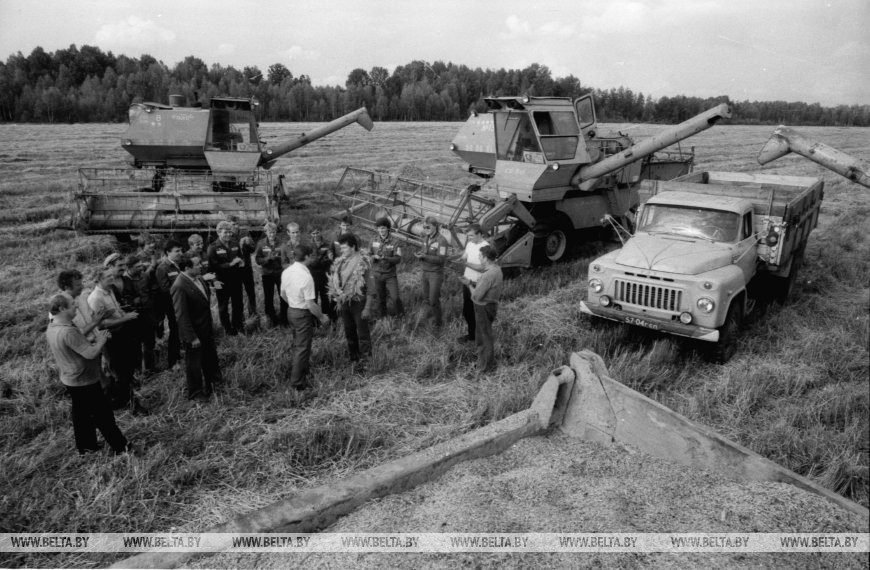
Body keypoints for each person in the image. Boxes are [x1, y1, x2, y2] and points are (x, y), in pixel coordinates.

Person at [46, 294, 132, 456]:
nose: (76, 307)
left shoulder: (53, 326)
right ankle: (122, 447)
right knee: (104, 416)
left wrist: (95, 323)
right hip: (85, 381)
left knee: (81, 416)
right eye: (72, 305)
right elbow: (91, 353)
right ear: (62, 308)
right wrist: (102, 339)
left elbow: (76, 340)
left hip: (70, 379)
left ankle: (86, 447)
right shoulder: (67, 331)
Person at [88, 267, 146, 414]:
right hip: (111, 339)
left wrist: (123, 313)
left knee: (126, 370)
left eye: (111, 275)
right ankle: (132, 405)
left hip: (121, 334)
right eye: (107, 277)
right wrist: (125, 318)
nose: (112, 278)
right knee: (119, 372)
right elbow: (100, 324)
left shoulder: (110, 291)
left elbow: (115, 311)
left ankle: (124, 399)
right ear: (98, 280)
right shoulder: (95, 298)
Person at [171, 254, 222, 401]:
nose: (201, 266)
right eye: (197, 265)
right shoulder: (179, 286)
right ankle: (195, 392)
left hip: (205, 327)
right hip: (194, 332)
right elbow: (181, 315)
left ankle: (213, 381)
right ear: (187, 268)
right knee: (194, 363)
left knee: (209, 356)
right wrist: (191, 337)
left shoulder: (198, 278)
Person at [280, 244, 330, 392]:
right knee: (302, 347)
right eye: (311, 255)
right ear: (307, 257)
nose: (312, 258)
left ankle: (302, 370)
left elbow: (282, 294)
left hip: (291, 311)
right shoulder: (306, 277)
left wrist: (294, 304)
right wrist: (322, 317)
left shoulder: (287, 271)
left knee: (299, 344)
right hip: (302, 314)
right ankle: (297, 382)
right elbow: (310, 303)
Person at [328, 233, 374, 366]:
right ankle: (354, 358)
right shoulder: (341, 261)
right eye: (341, 248)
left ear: (353, 247)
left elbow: (371, 288)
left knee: (362, 332)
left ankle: (366, 361)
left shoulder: (363, 262)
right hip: (344, 302)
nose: (341, 251)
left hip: (359, 303)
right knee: (349, 331)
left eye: (344, 248)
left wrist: (367, 307)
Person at [460, 245, 503, 374]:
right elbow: (486, 286)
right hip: (490, 306)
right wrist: (473, 283)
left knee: (483, 338)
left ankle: (484, 368)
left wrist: (468, 285)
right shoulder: (496, 270)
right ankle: (484, 363)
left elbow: (477, 296)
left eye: (480, 256)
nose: (479, 257)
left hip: (483, 307)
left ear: (485, 258)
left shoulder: (488, 274)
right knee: (485, 335)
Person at [119, 253, 159, 376]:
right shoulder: (123, 281)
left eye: (141, 265)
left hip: (147, 313)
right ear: (129, 267)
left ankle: (150, 369)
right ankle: (137, 372)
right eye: (137, 266)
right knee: (135, 346)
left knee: (149, 342)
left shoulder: (144, 276)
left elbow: (151, 289)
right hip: (134, 316)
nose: (141, 268)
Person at [207, 220, 245, 335]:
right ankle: (228, 329)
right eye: (225, 232)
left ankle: (238, 326)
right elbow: (213, 266)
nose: (228, 234)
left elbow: (240, 257)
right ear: (218, 232)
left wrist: (241, 262)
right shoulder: (213, 247)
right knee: (223, 307)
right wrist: (230, 264)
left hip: (236, 279)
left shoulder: (235, 243)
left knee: (238, 304)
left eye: (230, 232)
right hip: (222, 281)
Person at [414, 216, 450, 331]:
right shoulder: (426, 238)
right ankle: (429, 320)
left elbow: (441, 259)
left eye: (428, 226)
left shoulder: (442, 240)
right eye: (424, 227)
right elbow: (425, 252)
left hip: (435, 273)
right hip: (425, 272)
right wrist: (420, 255)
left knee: (433, 299)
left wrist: (425, 256)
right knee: (426, 298)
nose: (426, 228)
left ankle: (438, 324)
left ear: (435, 226)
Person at [455, 224, 488, 343]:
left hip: (478, 283)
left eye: (471, 235)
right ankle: (472, 336)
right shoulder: (470, 244)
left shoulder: (486, 247)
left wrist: (467, 264)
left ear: (479, 234)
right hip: (467, 282)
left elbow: (483, 268)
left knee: (478, 312)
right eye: (468, 236)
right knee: (467, 311)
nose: (469, 238)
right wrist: (460, 258)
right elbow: (465, 256)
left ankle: (481, 338)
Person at [155, 239, 184, 369]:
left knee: (179, 330)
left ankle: (178, 353)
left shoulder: (177, 264)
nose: (180, 253)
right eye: (177, 251)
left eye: (181, 250)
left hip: (179, 302)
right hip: (172, 305)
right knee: (175, 331)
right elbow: (165, 289)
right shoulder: (163, 268)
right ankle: (172, 361)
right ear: (168, 252)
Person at [254, 221, 287, 326]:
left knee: (283, 296)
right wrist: (268, 258)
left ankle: (284, 319)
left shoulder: (282, 243)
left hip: (280, 273)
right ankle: (271, 319)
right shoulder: (261, 243)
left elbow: (286, 258)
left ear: (276, 232)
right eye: (269, 232)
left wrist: (279, 258)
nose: (272, 234)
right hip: (267, 274)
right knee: (268, 297)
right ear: (266, 232)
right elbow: (257, 259)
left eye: (273, 232)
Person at [371, 217, 404, 318]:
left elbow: (398, 259)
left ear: (388, 229)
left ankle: (401, 317)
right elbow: (368, 254)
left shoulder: (395, 242)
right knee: (381, 299)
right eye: (379, 228)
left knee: (395, 298)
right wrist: (373, 257)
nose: (381, 230)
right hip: (377, 274)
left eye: (383, 228)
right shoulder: (373, 240)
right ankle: (382, 318)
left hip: (390, 275)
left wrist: (386, 258)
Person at [229, 216, 258, 318]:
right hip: (235, 271)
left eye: (237, 224)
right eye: (233, 224)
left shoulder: (245, 233)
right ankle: (240, 318)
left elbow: (253, 249)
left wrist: (249, 243)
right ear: (229, 225)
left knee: (251, 293)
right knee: (237, 295)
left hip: (247, 268)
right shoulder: (227, 236)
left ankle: (253, 315)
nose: (236, 226)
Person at [308, 226, 337, 322]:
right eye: (313, 233)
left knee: (325, 297)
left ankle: (326, 318)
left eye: (317, 232)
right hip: (312, 274)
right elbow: (307, 260)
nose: (316, 235)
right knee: (314, 297)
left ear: (321, 232)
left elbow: (331, 258)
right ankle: (315, 320)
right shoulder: (308, 245)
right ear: (311, 234)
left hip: (324, 273)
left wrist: (328, 258)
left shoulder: (328, 243)